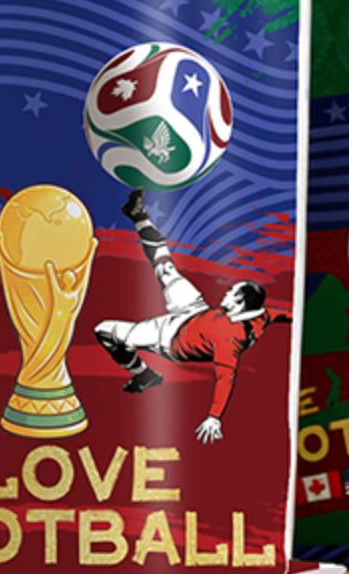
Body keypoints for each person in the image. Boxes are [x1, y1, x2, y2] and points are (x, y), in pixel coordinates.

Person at [93, 189, 290, 444]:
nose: (226, 292)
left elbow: (225, 379)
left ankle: (144, 374)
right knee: (165, 267)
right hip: (195, 310)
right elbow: (284, 314)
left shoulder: (229, 341)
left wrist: (214, 417)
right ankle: (138, 216)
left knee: (104, 330)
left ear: (239, 303)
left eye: (231, 292)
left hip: (168, 337)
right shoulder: (261, 315)